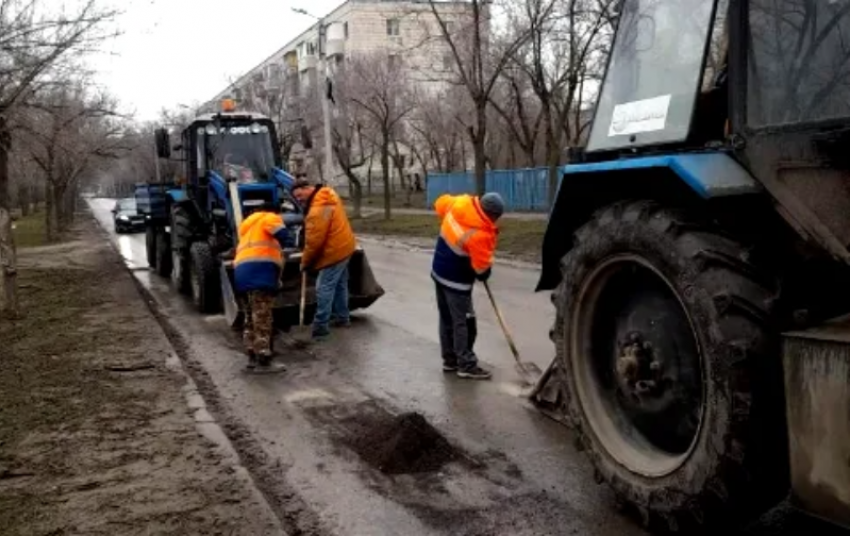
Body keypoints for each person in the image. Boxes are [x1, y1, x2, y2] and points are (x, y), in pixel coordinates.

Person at [431, 192, 504, 380]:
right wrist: (486, 271)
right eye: (496, 217)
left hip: (438, 271)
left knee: (446, 318)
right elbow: (481, 272)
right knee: (463, 322)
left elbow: (439, 203)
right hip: (456, 281)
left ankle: (450, 360)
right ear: (491, 214)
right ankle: (466, 364)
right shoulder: (481, 234)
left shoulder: (459, 203)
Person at [291, 179, 357, 340]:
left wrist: (305, 262)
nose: (299, 200)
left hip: (334, 252)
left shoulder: (318, 209)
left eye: (300, 195)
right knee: (340, 284)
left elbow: (314, 241)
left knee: (324, 288)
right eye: (296, 198)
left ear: (307, 188)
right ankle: (342, 318)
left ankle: (320, 328)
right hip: (345, 246)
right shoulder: (328, 195)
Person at [234, 201, 290, 372]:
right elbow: (283, 235)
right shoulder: (269, 217)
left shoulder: (248, 227)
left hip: (241, 275)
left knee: (250, 317)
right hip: (260, 273)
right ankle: (264, 359)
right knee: (263, 317)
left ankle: (251, 356)